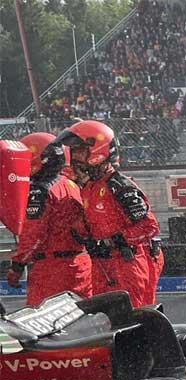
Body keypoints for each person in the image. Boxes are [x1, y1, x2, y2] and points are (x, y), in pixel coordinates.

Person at [52, 120, 162, 307]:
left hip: (127, 263)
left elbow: (149, 227)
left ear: (96, 151)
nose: (75, 156)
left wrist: (115, 241)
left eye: (79, 150)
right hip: (103, 264)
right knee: (104, 320)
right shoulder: (89, 187)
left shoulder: (118, 186)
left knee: (130, 320)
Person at [8, 132, 92, 306]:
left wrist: (17, 265)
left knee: (42, 324)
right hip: (80, 264)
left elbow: (34, 234)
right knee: (81, 321)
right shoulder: (71, 184)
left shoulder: (39, 191)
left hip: (52, 270)